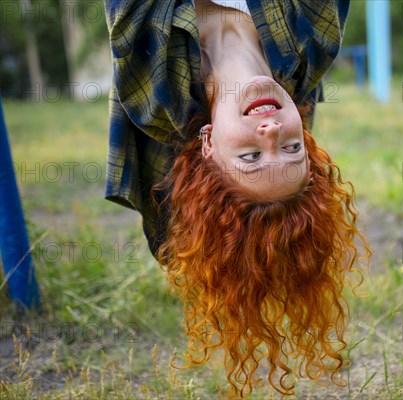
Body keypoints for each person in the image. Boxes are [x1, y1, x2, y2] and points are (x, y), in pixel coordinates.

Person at [104, 0, 370, 397]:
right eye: (293, 147)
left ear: (208, 144)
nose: (271, 131)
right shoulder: (315, 37)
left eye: (251, 157)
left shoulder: (154, 71)